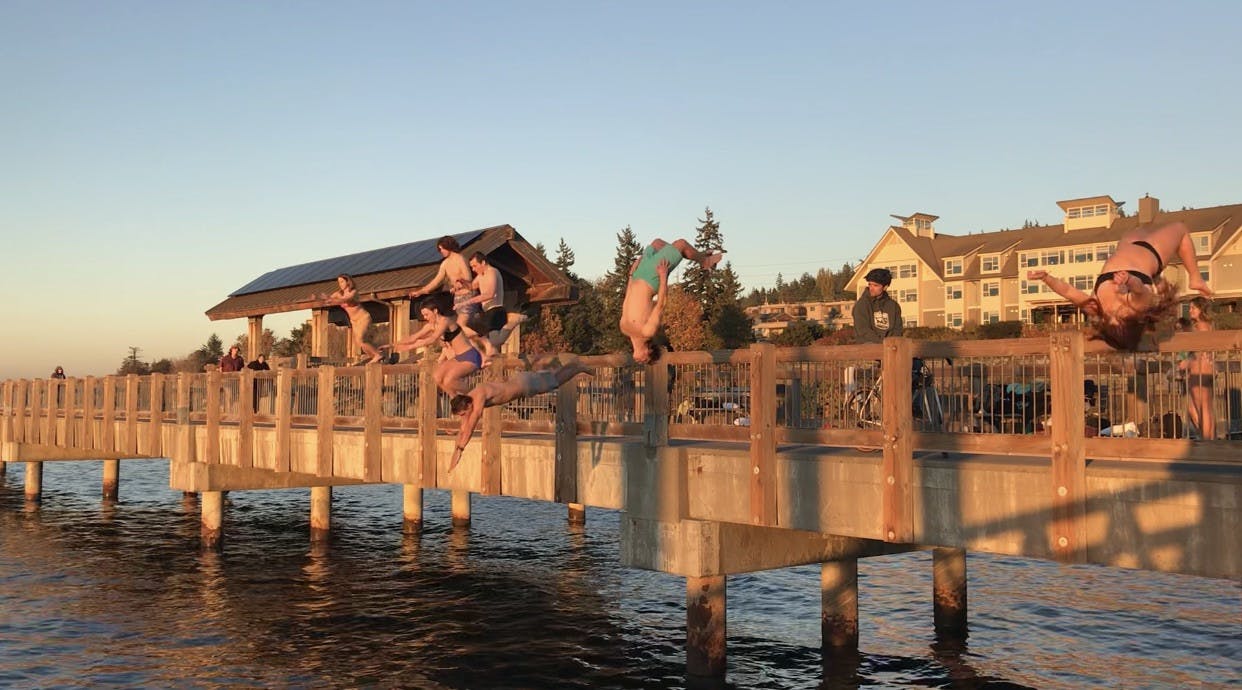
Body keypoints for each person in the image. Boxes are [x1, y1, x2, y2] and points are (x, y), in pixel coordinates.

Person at [1026, 221, 1212, 350]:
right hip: (1150, 252)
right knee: (1180, 230)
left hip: (1126, 245)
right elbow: (1140, 290)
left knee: (1139, 227)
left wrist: (1046, 278)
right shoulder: (1136, 309)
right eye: (1120, 321)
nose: (1113, 317)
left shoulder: (1097, 310)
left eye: (1112, 323)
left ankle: (1158, 273)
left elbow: (1068, 291)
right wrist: (1129, 280)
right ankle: (1196, 278)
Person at [447, 358, 593, 471]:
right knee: (553, 378)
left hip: (525, 385)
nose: (464, 416)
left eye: (463, 413)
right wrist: (455, 451)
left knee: (556, 381)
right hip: (522, 381)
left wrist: (460, 449)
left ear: (467, 405)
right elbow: (464, 427)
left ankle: (577, 367)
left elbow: (471, 426)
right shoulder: (468, 402)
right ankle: (573, 365)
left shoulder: (478, 397)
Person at [620, 238, 724, 363]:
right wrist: (663, 277)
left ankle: (696, 255)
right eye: (645, 360)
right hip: (651, 279)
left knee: (657, 243)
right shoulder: (648, 331)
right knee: (681, 245)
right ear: (649, 351)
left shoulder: (624, 329)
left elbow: (627, 299)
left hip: (638, 276)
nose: (640, 362)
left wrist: (631, 276)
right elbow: (661, 304)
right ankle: (705, 261)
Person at [389, 293, 482, 395]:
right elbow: (414, 337)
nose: (425, 317)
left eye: (427, 314)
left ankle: (475, 396)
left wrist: (409, 347)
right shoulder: (431, 325)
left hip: (470, 357)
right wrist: (392, 345)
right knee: (437, 377)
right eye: (423, 315)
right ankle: (455, 399)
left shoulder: (445, 321)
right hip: (458, 358)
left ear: (435, 311)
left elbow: (432, 339)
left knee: (449, 380)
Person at [463, 251, 527, 360]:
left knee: (489, 339)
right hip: (487, 312)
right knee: (489, 341)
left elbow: (490, 294)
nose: (473, 269)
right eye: (472, 267)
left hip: (495, 311)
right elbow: (471, 286)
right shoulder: (480, 276)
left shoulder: (492, 272)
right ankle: (491, 357)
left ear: (483, 262)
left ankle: (513, 321)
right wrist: (460, 283)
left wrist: (468, 302)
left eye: (474, 266)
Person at [318, 274, 383, 365]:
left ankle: (377, 355)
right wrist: (320, 298)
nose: (340, 284)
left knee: (361, 339)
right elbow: (328, 300)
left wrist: (331, 299)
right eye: (339, 282)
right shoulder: (338, 293)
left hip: (363, 318)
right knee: (360, 343)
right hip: (354, 321)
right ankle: (375, 355)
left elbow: (345, 300)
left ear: (348, 281)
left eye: (342, 282)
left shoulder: (353, 292)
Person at [1179, 297, 1215, 440]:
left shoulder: (1203, 327)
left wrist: (1187, 362)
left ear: (1201, 309)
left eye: (1193, 307)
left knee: (1203, 408)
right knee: (1194, 409)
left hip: (1201, 368)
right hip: (1198, 368)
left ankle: (1208, 441)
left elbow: (1202, 351)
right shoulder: (1200, 326)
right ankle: (1208, 438)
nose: (1190, 310)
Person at [409, 235, 473, 300]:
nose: (441, 251)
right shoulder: (445, 263)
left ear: (448, 246)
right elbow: (436, 281)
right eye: (440, 249)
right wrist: (420, 291)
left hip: (467, 295)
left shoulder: (461, 259)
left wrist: (459, 285)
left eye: (442, 248)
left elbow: (468, 278)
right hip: (456, 296)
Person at [852, 268, 903, 344]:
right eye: (870, 284)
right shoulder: (862, 304)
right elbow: (862, 330)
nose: (871, 288)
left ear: (885, 287)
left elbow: (897, 330)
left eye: (875, 285)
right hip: (867, 348)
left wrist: (890, 343)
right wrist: (881, 343)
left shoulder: (893, 306)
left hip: (890, 348)